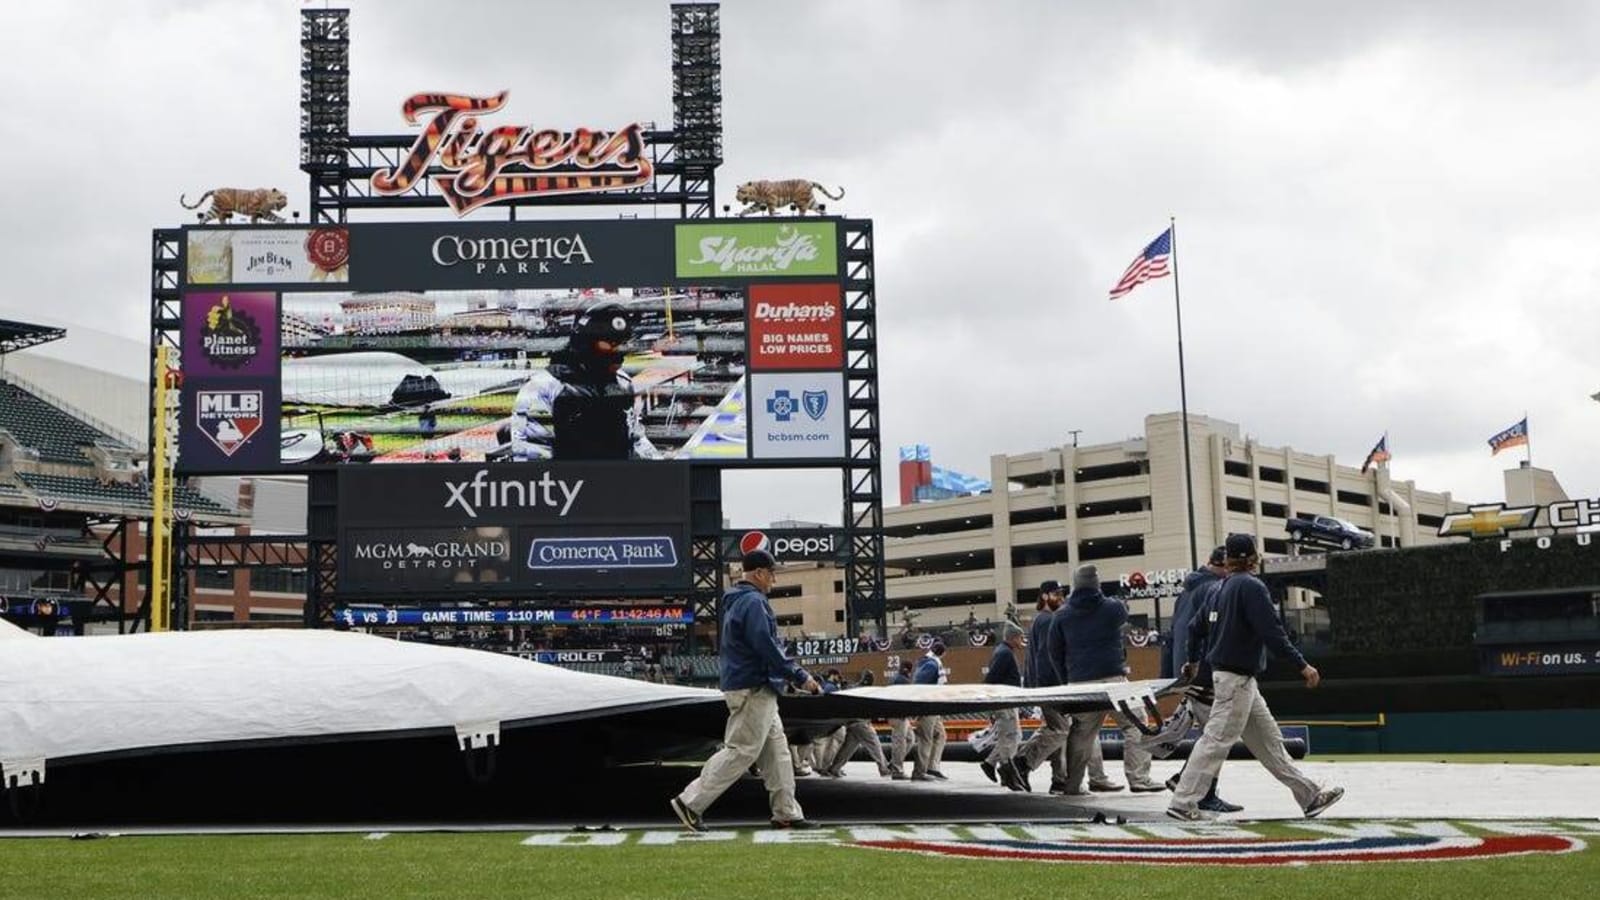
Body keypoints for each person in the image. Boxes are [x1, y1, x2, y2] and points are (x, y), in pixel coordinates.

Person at [1167, 534, 1344, 822]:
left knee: (1270, 742)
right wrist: (1302, 665)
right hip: (1236, 680)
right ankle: (1183, 802)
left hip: (1237, 681)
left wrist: (1192, 661)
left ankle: (1309, 796)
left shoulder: (1217, 588)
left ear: (1228, 560)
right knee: (1215, 741)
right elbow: (1272, 633)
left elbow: (1193, 627)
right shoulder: (1250, 586)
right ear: (1252, 558)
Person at [670, 549, 821, 832]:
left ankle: (786, 812)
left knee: (778, 754)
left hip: (754, 687)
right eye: (772, 574)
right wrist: (800, 676)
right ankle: (690, 802)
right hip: (754, 687)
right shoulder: (753, 601)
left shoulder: (737, 600)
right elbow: (765, 646)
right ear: (760, 573)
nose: (774, 580)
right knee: (740, 750)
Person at [1053, 564, 1164, 794]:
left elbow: (1053, 651)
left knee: (1082, 733)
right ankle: (1139, 778)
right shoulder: (1112, 608)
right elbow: (1123, 611)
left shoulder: (1062, 615)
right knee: (1137, 724)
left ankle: (1073, 784)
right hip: (1115, 680)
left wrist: (1066, 680)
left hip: (1080, 682)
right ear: (1097, 584)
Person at [507, 302, 658, 460]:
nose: (620, 351)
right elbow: (532, 459)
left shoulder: (623, 383)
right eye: (612, 343)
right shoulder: (543, 387)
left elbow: (636, 441)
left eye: (623, 343)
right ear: (586, 343)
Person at [1161, 545, 1242, 813]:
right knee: (1218, 735)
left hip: (1187, 670)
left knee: (1211, 733)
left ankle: (1184, 778)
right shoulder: (1213, 589)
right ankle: (1203, 793)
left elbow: (1173, 635)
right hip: (1205, 671)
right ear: (1223, 566)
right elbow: (1212, 634)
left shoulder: (1186, 591)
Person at [821, 670, 894, 778]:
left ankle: (834, 768)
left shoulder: (854, 688)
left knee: (848, 748)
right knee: (875, 744)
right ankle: (884, 769)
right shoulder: (864, 690)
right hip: (861, 723)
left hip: (852, 723)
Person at [982, 622, 1026, 790]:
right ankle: (1007, 771)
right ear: (1013, 637)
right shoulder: (1005, 654)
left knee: (1014, 735)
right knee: (1010, 736)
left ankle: (991, 763)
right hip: (1004, 701)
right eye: (1021, 637)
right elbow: (991, 679)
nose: (1022, 641)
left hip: (1008, 700)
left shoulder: (1003, 652)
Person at [910, 640, 949, 781]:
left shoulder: (924, 662)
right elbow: (923, 686)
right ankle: (919, 772)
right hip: (928, 706)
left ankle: (932, 767)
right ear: (942, 653)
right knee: (925, 740)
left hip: (932, 707)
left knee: (941, 735)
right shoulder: (933, 665)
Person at [886, 660, 916, 779]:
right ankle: (897, 770)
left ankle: (893, 763)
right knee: (900, 743)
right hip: (899, 715)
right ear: (907, 670)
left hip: (897, 715)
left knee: (910, 738)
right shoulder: (903, 680)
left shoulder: (894, 678)